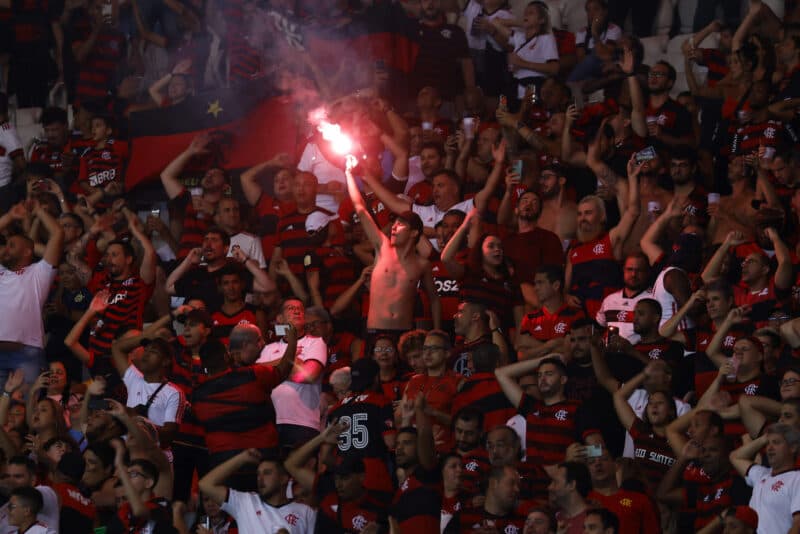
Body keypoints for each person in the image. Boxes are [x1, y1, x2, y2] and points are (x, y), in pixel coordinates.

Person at [344, 154, 441, 333]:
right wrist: (349, 174)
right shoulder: (382, 247)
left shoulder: (422, 264)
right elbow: (360, 207)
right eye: (394, 224)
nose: (394, 228)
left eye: (400, 225)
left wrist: (436, 329)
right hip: (376, 330)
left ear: (414, 233)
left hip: (405, 332)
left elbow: (434, 298)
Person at [192, 333, 297, 491]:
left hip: (224, 465)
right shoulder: (253, 375)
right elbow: (284, 369)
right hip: (263, 459)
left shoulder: (198, 397)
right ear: (226, 356)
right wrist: (293, 340)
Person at [565, 156, 640, 319]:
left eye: (588, 213)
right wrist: (566, 296)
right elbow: (566, 288)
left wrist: (632, 178)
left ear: (602, 218)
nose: (582, 218)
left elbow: (633, 212)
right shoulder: (574, 249)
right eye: (579, 214)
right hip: (580, 321)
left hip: (609, 316)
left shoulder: (610, 239)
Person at [0, 201, 63, 387]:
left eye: (12, 245)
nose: (5, 249)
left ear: (28, 251)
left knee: (27, 407)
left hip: (26, 353)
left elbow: (58, 234)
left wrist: (38, 210)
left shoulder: (39, 273)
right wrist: (10, 216)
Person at [257, 298, 327, 448]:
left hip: (303, 424)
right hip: (270, 424)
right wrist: (291, 360)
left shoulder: (315, 342)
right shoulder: (269, 348)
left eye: (300, 309)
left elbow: (308, 375)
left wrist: (274, 370)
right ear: (280, 318)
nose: (296, 311)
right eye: (290, 308)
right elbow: (257, 377)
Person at [110, 315, 186, 446]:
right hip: (130, 452)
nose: (146, 353)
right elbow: (117, 348)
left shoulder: (173, 392)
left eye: (154, 351)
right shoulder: (134, 380)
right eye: (146, 350)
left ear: (166, 361)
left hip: (155, 457)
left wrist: (137, 419)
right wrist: (144, 337)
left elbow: (169, 434)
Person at [199, 448, 316, 532]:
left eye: (267, 473)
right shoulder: (245, 502)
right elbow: (205, 484)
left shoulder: (305, 512)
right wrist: (241, 459)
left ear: (283, 479)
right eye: (258, 474)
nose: (260, 479)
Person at [496, 356, 582, 464]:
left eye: (549, 374)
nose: (543, 379)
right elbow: (501, 373)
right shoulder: (531, 407)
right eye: (539, 375)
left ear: (563, 379)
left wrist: (575, 457)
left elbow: (597, 449)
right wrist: (545, 358)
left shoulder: (577, 407)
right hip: (533, 479)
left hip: (563, 478)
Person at [731, 423, 800, 533]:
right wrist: (763, 439)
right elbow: (735, 457)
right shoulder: (761, 474)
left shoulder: (797, 479)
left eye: (776, 442)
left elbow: (798, 524)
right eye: (767, 444)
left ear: (793, 447)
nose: (769, 448)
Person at [445, 465, 526, 533]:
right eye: (511, 483)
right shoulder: (463, 517)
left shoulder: (523, 523)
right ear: (493, 483)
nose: (517, 489)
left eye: (518, 485)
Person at [595, 254, 652, 343]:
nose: (633, 274)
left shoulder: (654, 298)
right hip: (610, 354)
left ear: (647, 272)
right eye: (630, 269)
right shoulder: (609, 300)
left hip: (640, 354)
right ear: (623, 270)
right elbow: (599, 327)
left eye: (639, 270)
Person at [548, 461, 591, 534]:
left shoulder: (595, 520)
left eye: (555, 482)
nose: (549, 487)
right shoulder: (551, 519)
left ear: (571, 485)